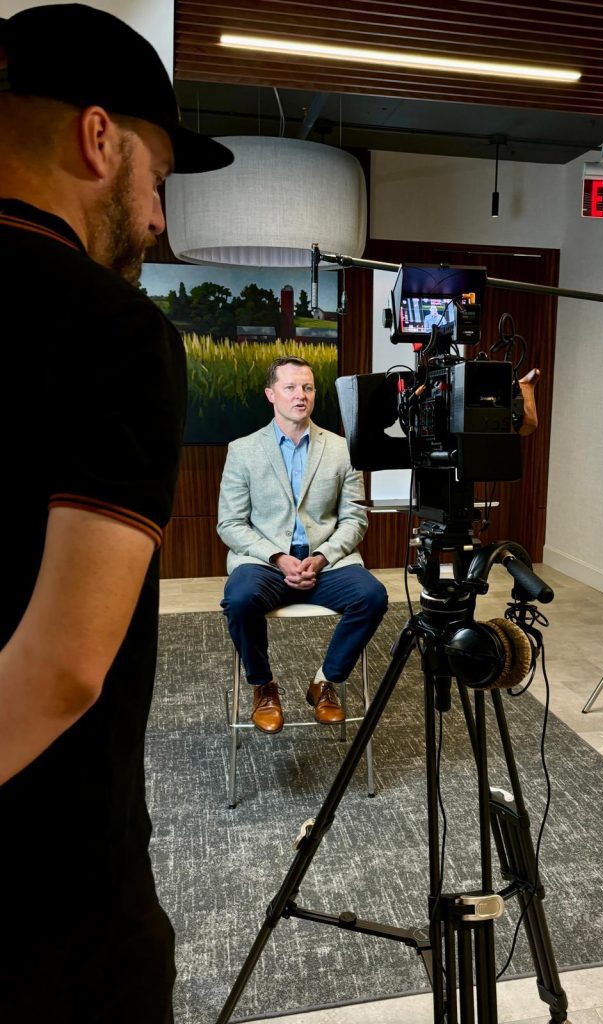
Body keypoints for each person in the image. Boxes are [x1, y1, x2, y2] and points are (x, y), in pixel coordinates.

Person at [0, 6, 233, 1023]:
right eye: (160, 179)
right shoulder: (113, 331)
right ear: (99, 137)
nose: (157, 220)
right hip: (47, 896)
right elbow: (62, 669)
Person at [218, 356, 388, 733]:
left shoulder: (342, 449)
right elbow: (230, 523)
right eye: (291, 387)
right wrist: (278, 557)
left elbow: (355, 519)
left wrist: (322, 557)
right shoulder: (243, 450)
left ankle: (325, 681)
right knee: (239, 599)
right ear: (271, 394)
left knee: (372, 596)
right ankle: (263, 686)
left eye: (308, 388)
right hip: (265, 564)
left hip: (326, 564)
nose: (301, 395)